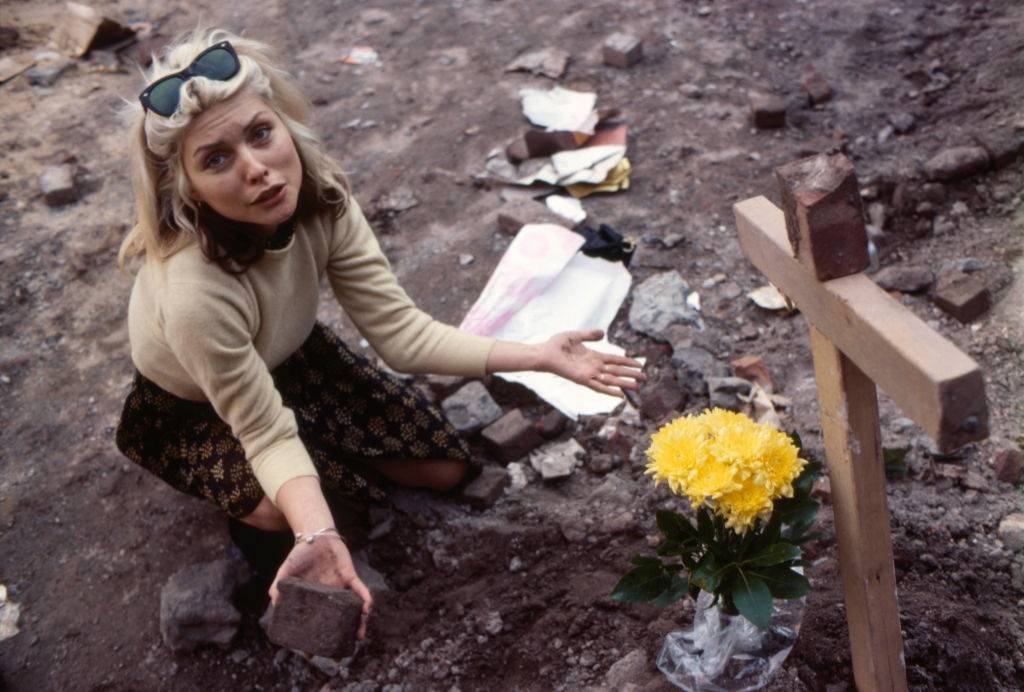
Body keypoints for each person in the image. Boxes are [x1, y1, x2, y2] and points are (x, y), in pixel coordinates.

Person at [114, 28, 645, 638]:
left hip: (294, 357)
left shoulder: (321, 194)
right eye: (217, 159)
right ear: (186, 188)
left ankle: (315, 465)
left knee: (445, 469)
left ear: (283, 123)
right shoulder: (193, 293)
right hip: (194, 405)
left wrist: (537, 357)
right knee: (300, 514)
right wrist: (317, 529)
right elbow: (259, 426)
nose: (257, 169)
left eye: (260, 133)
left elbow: (400, 333)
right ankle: (266, 513)